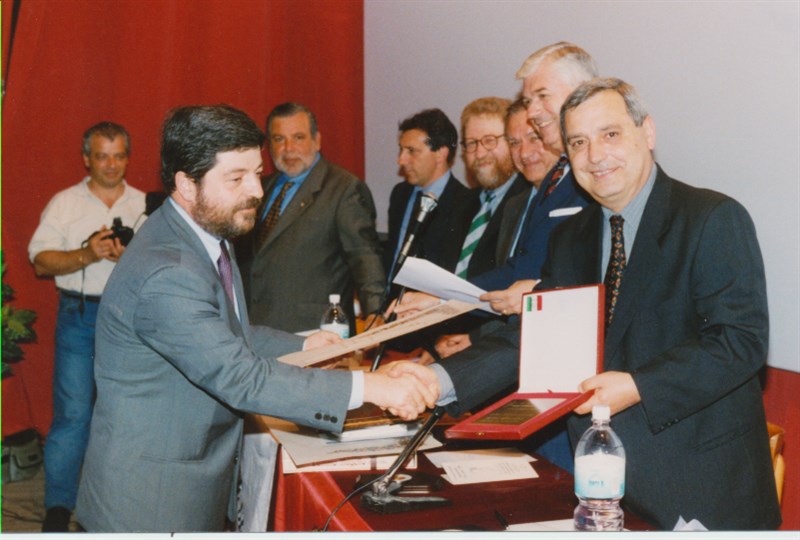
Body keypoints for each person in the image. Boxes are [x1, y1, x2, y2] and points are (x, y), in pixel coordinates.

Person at [402, 78, 781, 529]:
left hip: (697, 491)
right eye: (578, 142)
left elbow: (740, 343)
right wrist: (435, 380)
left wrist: (638, 385)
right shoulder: (571, 236)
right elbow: (530, 337)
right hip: (596, 493)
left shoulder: (711, 218)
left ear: (648, 133)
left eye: (611, 134)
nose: (595, 155)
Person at [74, 105, 436, 532]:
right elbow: (241, 377)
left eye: (256, 173)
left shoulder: (206, 233)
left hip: (183, 481)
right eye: (236, 179)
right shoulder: (168, 271)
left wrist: (304, 344)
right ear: (186, 185)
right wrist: (371, 387)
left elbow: (229, 335)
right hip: (153, 498)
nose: (258, 191)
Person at [28, 121, 146, 532]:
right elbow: (41, 261)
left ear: (128, 158)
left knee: (126, 416)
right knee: (73, 415)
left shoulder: (145, 205)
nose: (111, 164)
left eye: (118, 155)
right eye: (101, 155)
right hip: (79, 316)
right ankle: (58, 509)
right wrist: (87, 255)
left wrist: (128, 258)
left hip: (130, 321)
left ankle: (117, 506)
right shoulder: (65, 203)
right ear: (86, 159)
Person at [236, 103, 385, 333]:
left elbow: (364, 257)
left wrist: (376, 313)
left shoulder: (344, 188)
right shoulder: (260, 188)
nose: (288, 148)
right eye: (278, 139)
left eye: (298, 137)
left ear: (317, 140)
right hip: (257, 331)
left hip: (314, 333)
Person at [384, 108, 475, 277]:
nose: (401, 160)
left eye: (411, 151)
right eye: (401, 150)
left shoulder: (466, 204)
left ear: (440, 154)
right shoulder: (400, 194)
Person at [453, 97, 528, 279]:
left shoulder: (529, 201)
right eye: (471, 143)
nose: (479, 154)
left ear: (512, 141)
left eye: (489, 140)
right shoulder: (462, 204)